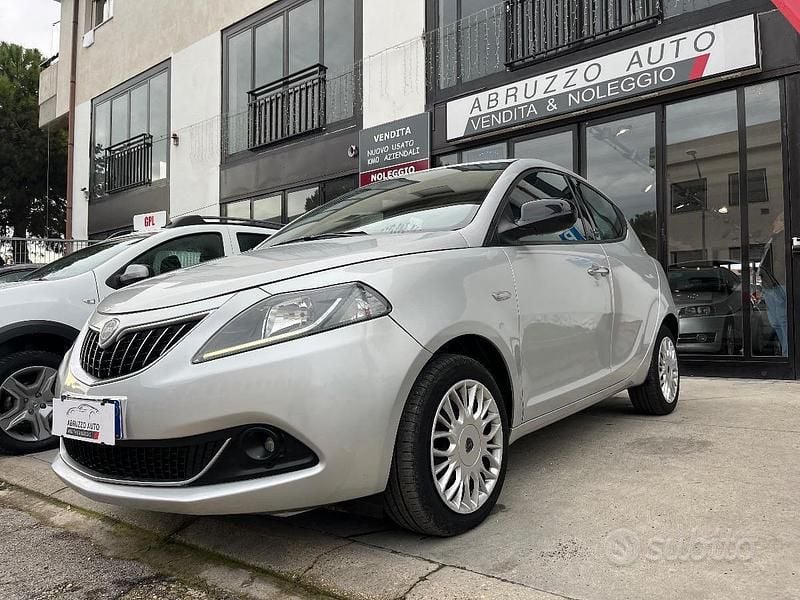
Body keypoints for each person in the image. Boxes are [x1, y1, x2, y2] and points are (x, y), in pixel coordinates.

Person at [757, 212, 788, 356]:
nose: (773, 224)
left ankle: (787, 353)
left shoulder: (782, 239)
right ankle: (785, 351)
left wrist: (777, 280)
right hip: (769, 286)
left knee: (782, 320)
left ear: (782, 223)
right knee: (775, 322)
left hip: (777, 285)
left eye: (776, 221)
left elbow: (780, 263)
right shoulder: (772, 239)